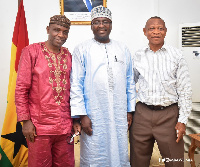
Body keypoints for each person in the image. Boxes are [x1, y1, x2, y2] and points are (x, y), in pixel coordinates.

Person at [70, 5, 136, 167]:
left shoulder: (122, 48)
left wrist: (129, 109)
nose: (101, 25)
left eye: (105, 21)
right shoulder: (82, 49)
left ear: (111, 24)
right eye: (97, 22)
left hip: (119, 113)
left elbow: (130, 81)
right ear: (91, 25)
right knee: (94, 154)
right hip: (93, 114)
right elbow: (76, 83)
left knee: (119, 151)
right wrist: (81, 115)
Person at [15, 15, 80, 167]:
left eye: (65, 32)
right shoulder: (31, 52)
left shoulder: (68, 55)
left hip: (64, 127)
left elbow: (74, 89)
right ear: (48, 30)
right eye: (56, 30)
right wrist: (25, 121)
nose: (61, 35)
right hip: (39, 127)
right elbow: (21, 89)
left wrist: (75, 119)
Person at [129, 16, 192, 167]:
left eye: (160, 28)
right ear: (145, 32)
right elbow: (129, 85)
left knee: (175, 162)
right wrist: (129, 111)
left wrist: (182, 120)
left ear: (165, 32)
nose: (156, 32)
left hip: (169, 115)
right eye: (152, 28)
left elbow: (185, 89)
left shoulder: (177, 55)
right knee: (138, 161)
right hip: (142, 115)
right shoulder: (137, 56)